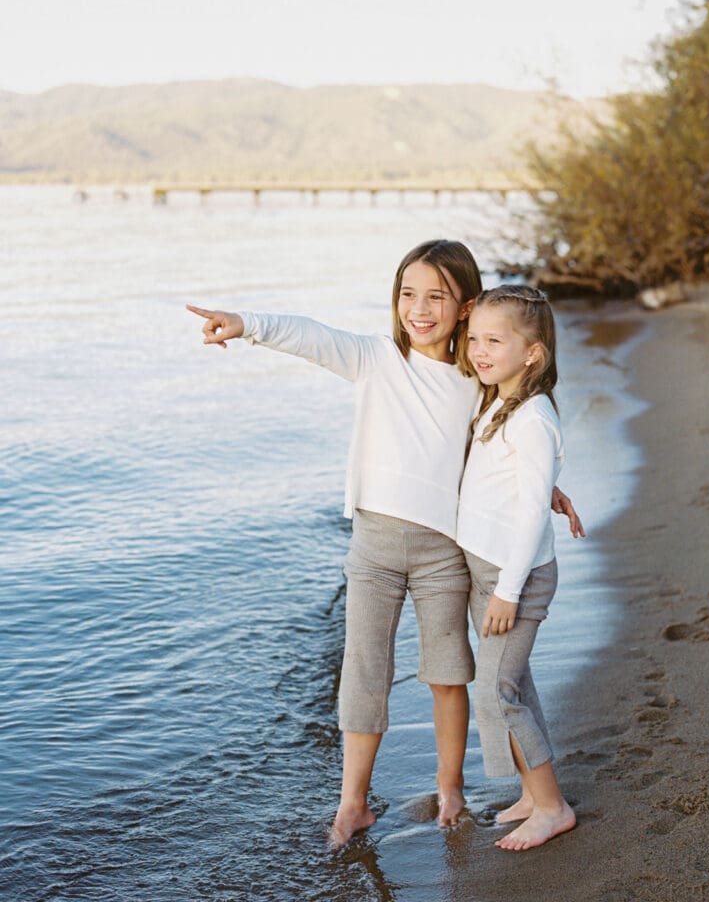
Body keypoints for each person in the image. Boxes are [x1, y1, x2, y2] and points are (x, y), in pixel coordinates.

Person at [187, 242, 581, 848]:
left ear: (466, 307)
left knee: (449, 672)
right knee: (364, 669)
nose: (419, 309)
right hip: (373, 546)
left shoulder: (475, 377)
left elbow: (511, 443)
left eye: (436, 297)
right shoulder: (375, 358)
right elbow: (312, 336)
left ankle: (451, 787)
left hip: (446, 554)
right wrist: (248, 326)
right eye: (407, 294)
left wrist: (547, 486)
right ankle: (353, 803)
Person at [457, 284, 577, 851]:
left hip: (517, 576)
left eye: (494, 341)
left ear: (532, 352)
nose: (479, 350)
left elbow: (529, 513)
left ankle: (552, 807)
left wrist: (507, 590)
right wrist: (553, 486)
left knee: (498, 691)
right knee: (516, 684)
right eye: (474, 337)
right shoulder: (500, 399)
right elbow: (519, 484)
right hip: (495, 570)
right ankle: (535, 794)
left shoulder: (531, 416)